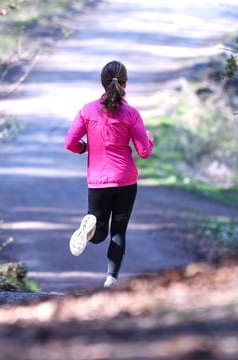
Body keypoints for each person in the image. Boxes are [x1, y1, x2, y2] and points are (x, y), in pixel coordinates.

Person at [64, 60, 154, 288]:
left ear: (102, 83)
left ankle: (90, 227)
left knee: (99, 233)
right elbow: (143, 152)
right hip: (125, 180)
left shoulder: (88, 110)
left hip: (98, 181)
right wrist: (150, 140)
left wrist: (85, 148)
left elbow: (70, 142)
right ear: (126, 84)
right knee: (118, 232)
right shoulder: (131, 114)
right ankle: (111, 279)